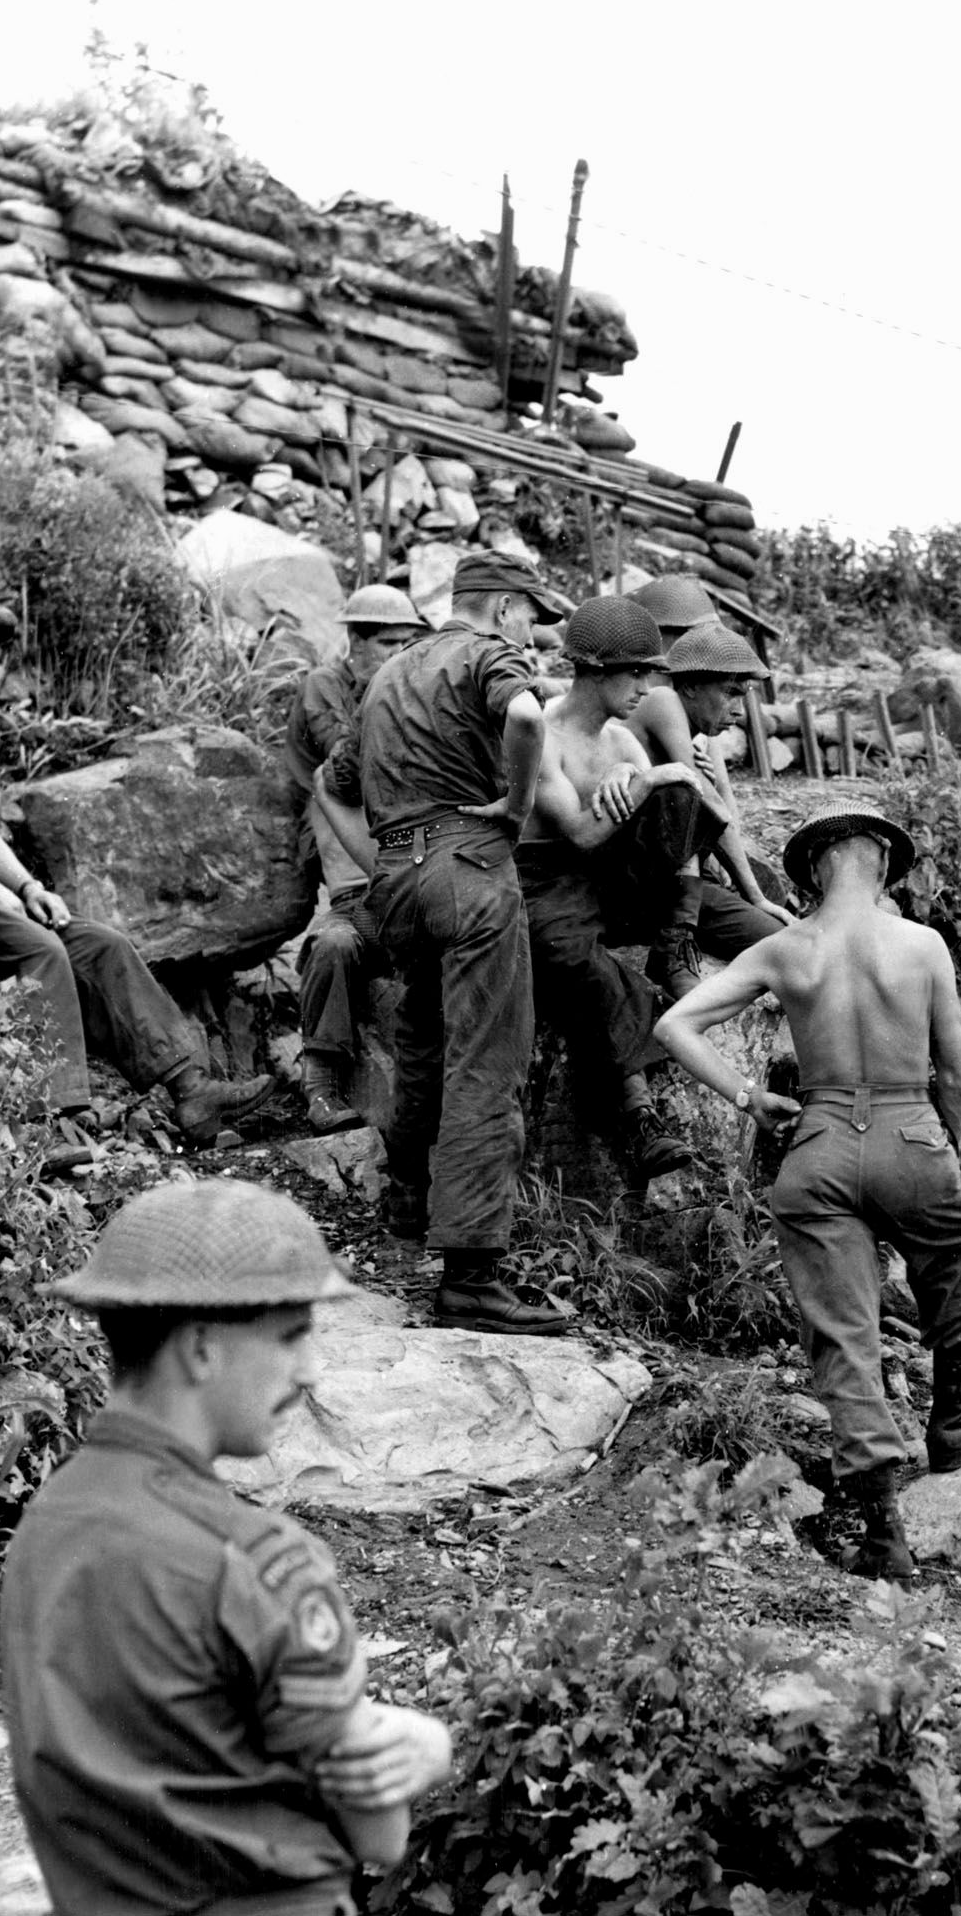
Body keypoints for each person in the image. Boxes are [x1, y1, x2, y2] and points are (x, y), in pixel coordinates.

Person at [2, 1178, 454, 1914]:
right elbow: (378, 1837)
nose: (309, 1369)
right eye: (289, 1336)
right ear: (203, 1346)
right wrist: (427, 1743)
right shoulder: (258, 1560)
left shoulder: (43, 1527)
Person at [654, 804, 961, 1579]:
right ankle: (951, 1419)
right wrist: (948, 1144)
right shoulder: (920, 944)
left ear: (811, 870)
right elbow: (953, 1072)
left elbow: (674, 1026)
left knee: (843, 1334)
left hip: (815, 1145)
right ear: (882, 865)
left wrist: (748, 1095)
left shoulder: (787, 946)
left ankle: (885, 1535)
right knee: (956, 1255)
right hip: (909, 1130)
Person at [0, 577, 273, 1144]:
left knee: (99, 945)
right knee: (42, 950)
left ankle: (192, 1091)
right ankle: (48, 1121)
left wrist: (27, 885)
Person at [315, 549, 573, 1335]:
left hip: (396, 878)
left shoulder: (389, 671)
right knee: (485, 1062)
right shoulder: (490, 654)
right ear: (502, 608)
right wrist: (517, 806)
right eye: (531, 613)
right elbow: (528, 716)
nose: (533, 630)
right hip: (470, 864)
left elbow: (333, 783)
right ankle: (470, 1272)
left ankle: (405, 1205)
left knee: (423, 1039)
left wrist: (382, 859)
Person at [517, 596, 726, 1183]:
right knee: (574, 958)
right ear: (595, 670)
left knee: (681, 797)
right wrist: (647, 778)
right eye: (635, 672)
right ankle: (638, 1116)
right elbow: (582, 834)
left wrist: (634, 776)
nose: (646, 687)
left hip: (608, 880)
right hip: (545, 879)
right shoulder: (543, 734)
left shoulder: (621, 739)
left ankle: (673, 939)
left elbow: (671, 807)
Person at [290, 585, 428, 1132]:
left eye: (406, 644)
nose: (397, 654)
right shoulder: (326, 685)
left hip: (407, 863)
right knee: (334, 942)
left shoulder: (405, 692)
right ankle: (321, 1086)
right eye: (387, 643)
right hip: (343, 832)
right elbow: (341, 754)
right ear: (355, 640)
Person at [621, 609, 793, 998]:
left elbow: (714, 803)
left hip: (674, 884)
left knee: (781, 941)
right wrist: (756, 895)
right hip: (626, 877)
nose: (737, 709)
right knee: (685, 792)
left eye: (743, 696)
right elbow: (706, 800)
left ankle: (684, 939)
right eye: (730, 693)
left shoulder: (694, 732)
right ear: (692, 686)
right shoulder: (663, 699)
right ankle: (672, 950)